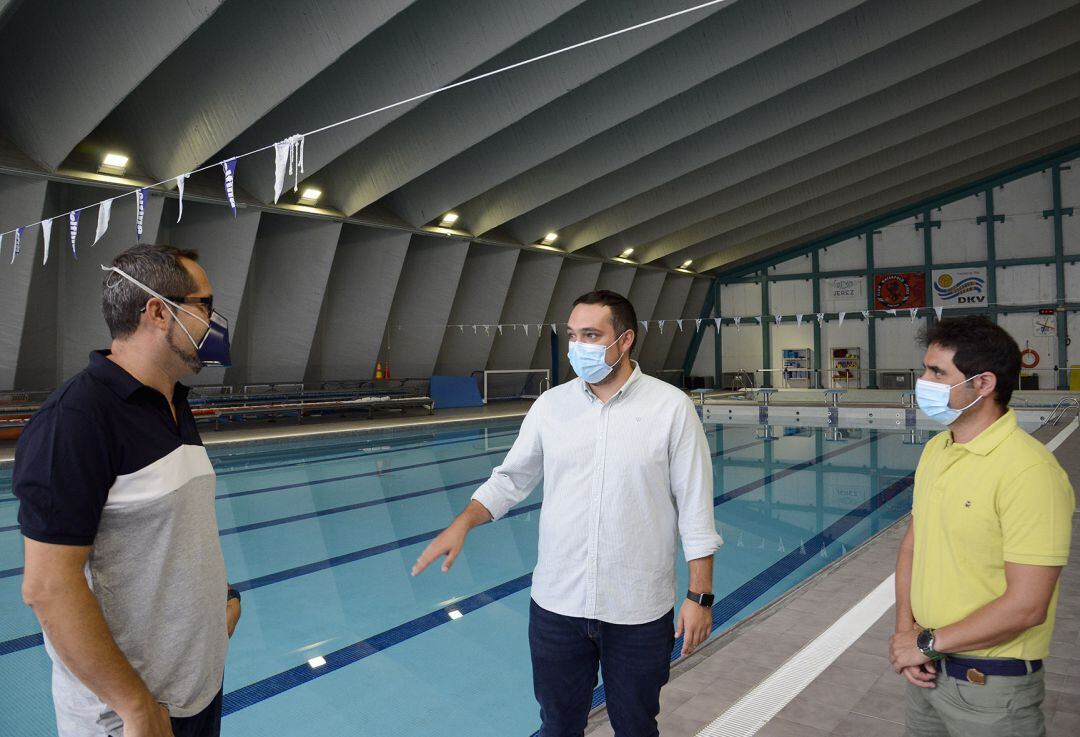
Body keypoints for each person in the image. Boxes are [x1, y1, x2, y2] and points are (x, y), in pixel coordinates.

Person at [412, 290, 722, 737]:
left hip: (637, 610)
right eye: (573, 335)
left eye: (592, 335)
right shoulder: (551, 406)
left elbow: (695, 509)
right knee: (557, 727)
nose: (578, 346)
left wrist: (699, 597)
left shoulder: (670, 408)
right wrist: (463, 522)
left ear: (625, 340)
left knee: (636, 727)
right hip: (557, 606)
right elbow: (509, 480)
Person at [15, 244, 240, 737]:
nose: (214, 320)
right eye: (205, 304)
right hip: (130, 719)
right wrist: (136, 707)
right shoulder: (76, 421)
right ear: (159, 311)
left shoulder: (172, 405)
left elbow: (173, 532)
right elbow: (48, 589)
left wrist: (223, 598)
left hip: (194, 691)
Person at [890, 316, 1074, 736]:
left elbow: (1027, 606)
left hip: (992, 687)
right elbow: (912, 548)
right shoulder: (938, 448)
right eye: (925, 369)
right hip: (929, 671)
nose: (923, 381)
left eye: (937, 372)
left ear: (984, 384)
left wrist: (923, 643)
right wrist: (907, 631)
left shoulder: (1029, 472)